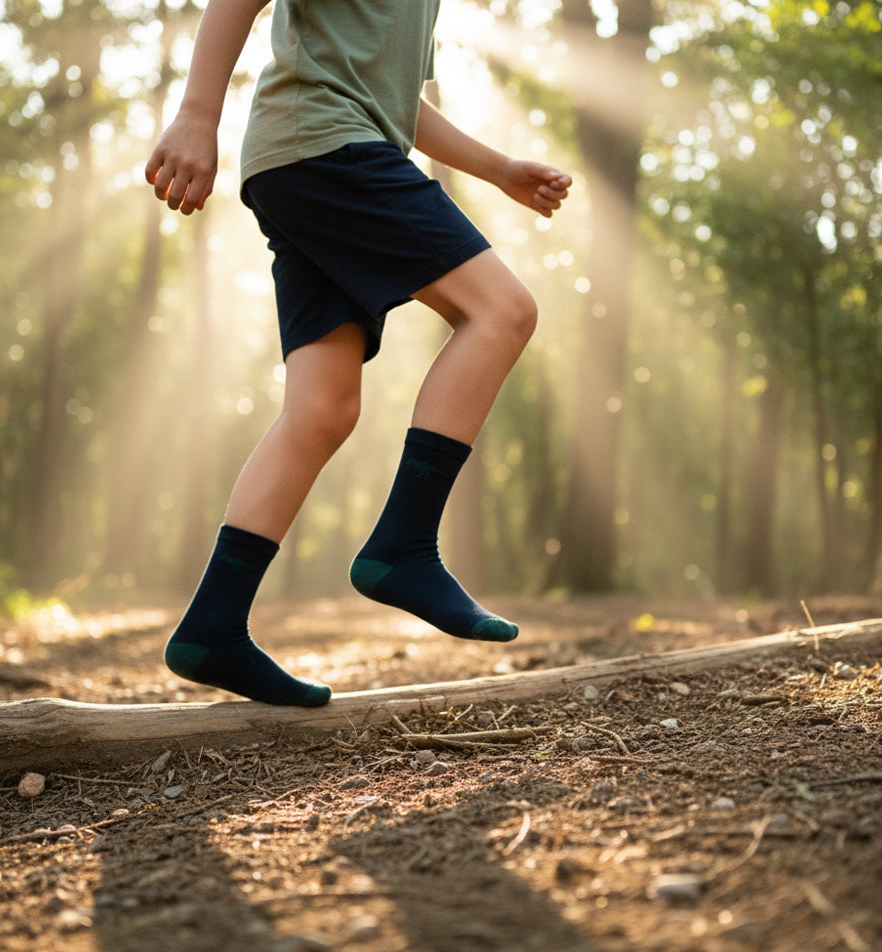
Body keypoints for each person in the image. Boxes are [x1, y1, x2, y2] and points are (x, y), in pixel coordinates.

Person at [145, 0, 572, 708]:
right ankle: (404, 546)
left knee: (322, 411)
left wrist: (498, 168)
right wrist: (196, 114)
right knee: (502, 311)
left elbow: (393, 98)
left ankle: (212, 626)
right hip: (326, 146)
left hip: (300, 159)